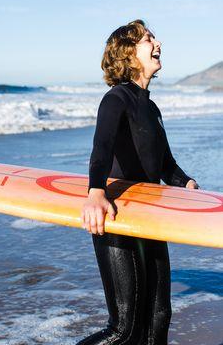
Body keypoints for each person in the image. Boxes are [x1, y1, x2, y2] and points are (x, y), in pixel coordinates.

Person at [77, 20, 199, 345]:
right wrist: (95, 193)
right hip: (117, 216)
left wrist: (186, 184)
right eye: (148, 39)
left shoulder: (152, 108)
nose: (157, 43)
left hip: (150, 217)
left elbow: (166, 165)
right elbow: (100, 149)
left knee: (159, 318)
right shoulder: (116, 99)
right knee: (124, 329)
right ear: (129, 53)